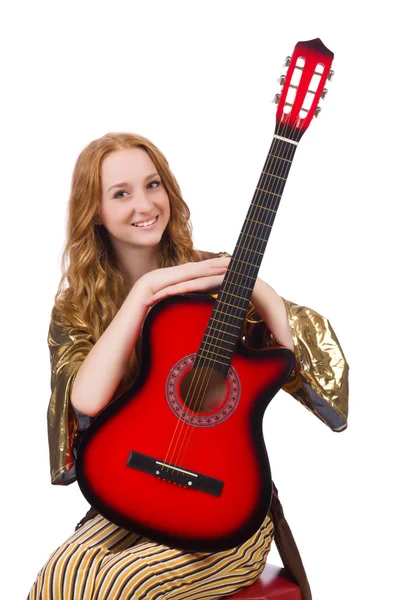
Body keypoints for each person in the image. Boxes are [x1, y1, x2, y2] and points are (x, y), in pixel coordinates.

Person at [27, 132, 349, 600]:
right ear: (93, 211)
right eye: (121, 193)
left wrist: (258, 287)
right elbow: (85, 397)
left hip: (225, 509)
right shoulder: (75, 308)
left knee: (122, 583)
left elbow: (308, 356)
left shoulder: (220, 285)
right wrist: (145, 292)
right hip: (130, 494)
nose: (144, 204)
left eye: (152, 185)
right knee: (59, 576)